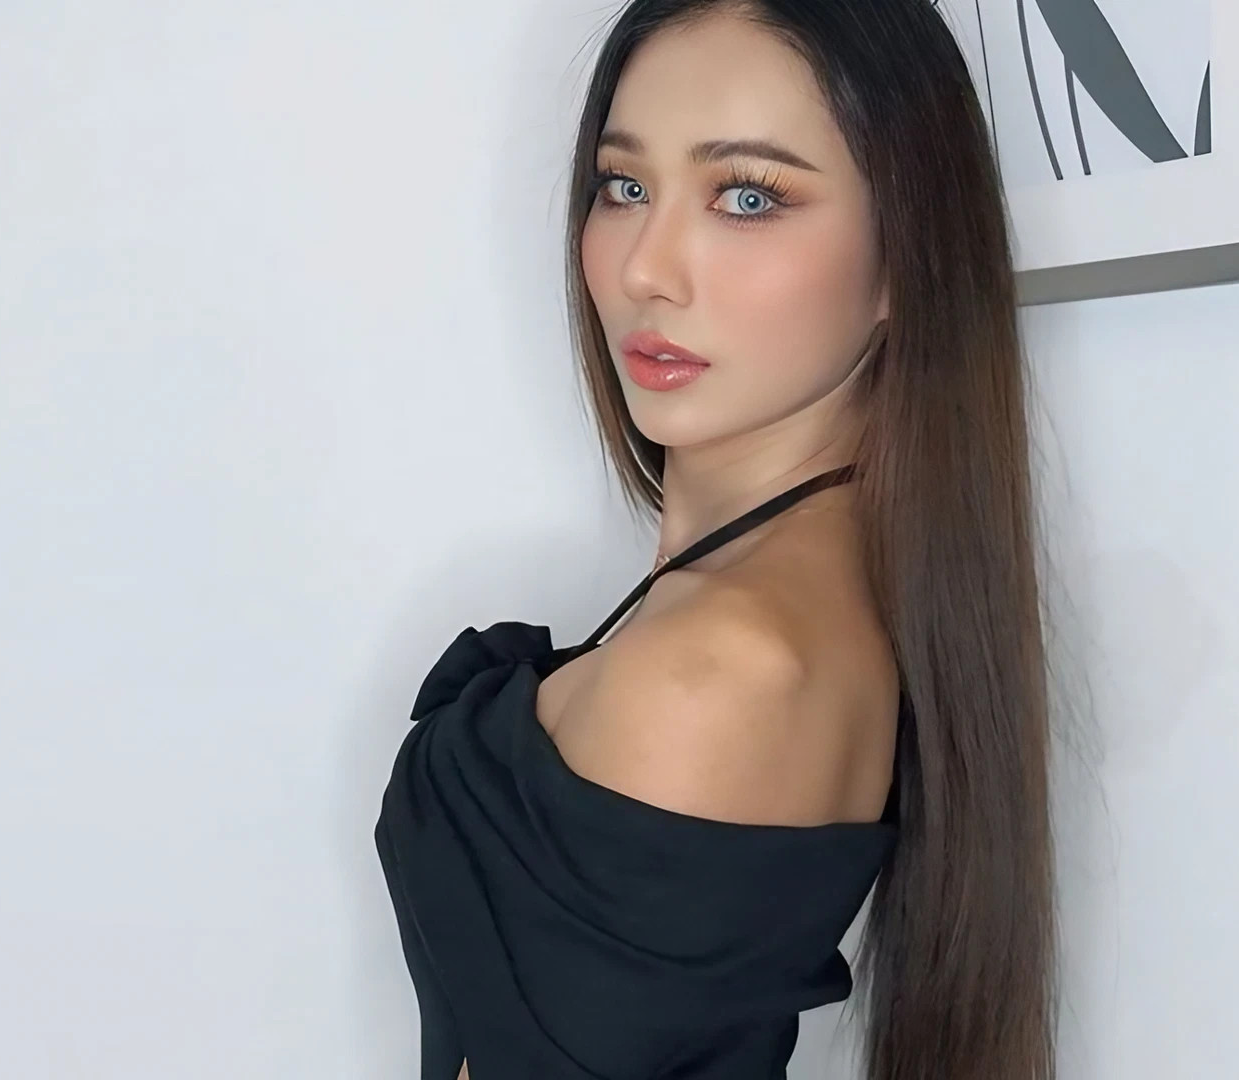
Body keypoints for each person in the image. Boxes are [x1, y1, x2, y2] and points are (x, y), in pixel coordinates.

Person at [374, 0, 1057, 1076]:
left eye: (748, 197)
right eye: (624, 186)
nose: (648, 268)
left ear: (904, 254)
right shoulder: (790, 600)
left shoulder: (717, 671)